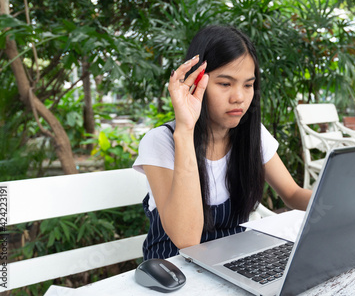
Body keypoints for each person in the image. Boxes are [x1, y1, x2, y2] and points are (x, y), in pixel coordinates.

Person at [133, 25, 312, 260]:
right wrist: (185, 130)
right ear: (196, 82)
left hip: (234, 264)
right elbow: (187, 240)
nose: (239, 97)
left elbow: (292, 194)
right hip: (174, 270)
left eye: (248, 85)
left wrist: (340, 204)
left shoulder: (252, 134)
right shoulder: (161, 141)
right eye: (225, 84)